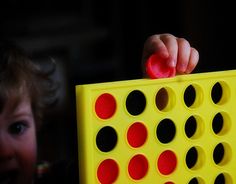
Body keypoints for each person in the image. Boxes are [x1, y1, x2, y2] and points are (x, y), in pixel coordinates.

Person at [0, 33, 199, 184]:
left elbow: (133, 169)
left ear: (36, 122)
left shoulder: (61, 178)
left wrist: (157, 94)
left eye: (17, 127)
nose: (4, 151)